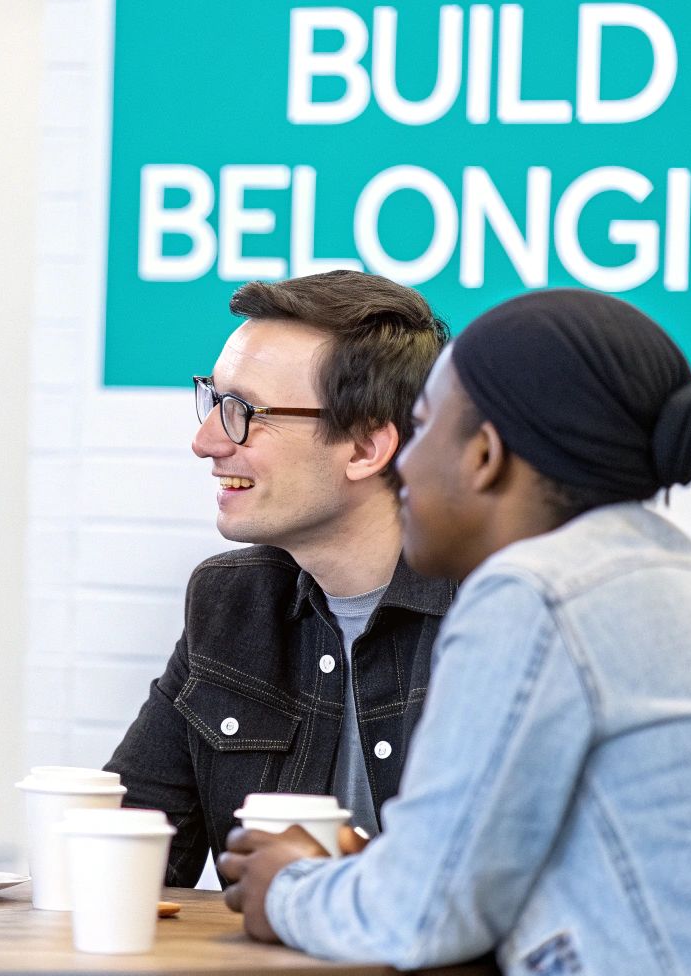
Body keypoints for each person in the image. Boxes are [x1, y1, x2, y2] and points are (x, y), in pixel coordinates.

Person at [218, 288, 691, 975]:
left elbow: (418, 918)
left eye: (421, 430)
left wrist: (285, 889)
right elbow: (462, 883)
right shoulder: (661, 570)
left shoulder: (537, 593)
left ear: (483, 456)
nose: (402, 468)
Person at [105, 270, 455, 886]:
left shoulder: (497, 616)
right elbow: (126, 856)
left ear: (365, 448)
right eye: (213, 401)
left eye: (244, 411)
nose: (206, 440)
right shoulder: (230, 603)